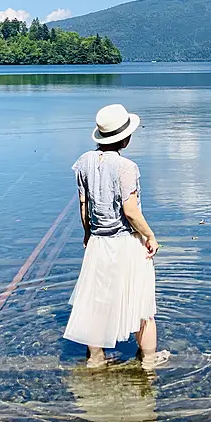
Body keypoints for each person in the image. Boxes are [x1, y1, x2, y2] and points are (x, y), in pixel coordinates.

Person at [64, 103, 170, 370]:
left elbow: (83, 205)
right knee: (142, 305)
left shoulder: (84, 162)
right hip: (125, 242)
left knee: (96, 302)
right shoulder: (126, 167)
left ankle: (96, 358)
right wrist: (150, 236)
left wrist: (88, 234)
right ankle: (148, 360)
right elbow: (130, 211)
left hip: (98, 242)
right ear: (125, 138)